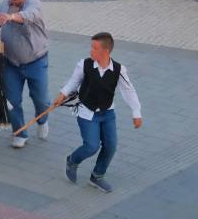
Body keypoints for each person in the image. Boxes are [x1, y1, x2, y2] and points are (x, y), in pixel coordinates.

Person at [55, 32, 143, 193]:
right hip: (87, 113)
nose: (91, 51)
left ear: (106, 51)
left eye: (94, 48)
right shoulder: (84, 65)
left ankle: (97, 176)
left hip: (108, 113)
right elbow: (73, 82)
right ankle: (72, 160)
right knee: (91, 146)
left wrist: (136, 112)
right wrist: (62, 94)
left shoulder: (118, 69)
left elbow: (129, 91)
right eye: (91, 47)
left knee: (110, 146)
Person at [0, 0, 51, 149]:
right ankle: (19, 133)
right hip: (10, 63)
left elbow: (28, 16)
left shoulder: (35, 4)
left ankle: (43, 120)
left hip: (36, 61)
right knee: (11, 100)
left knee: (41, 100)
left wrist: (10, 17)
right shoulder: (3, 4)